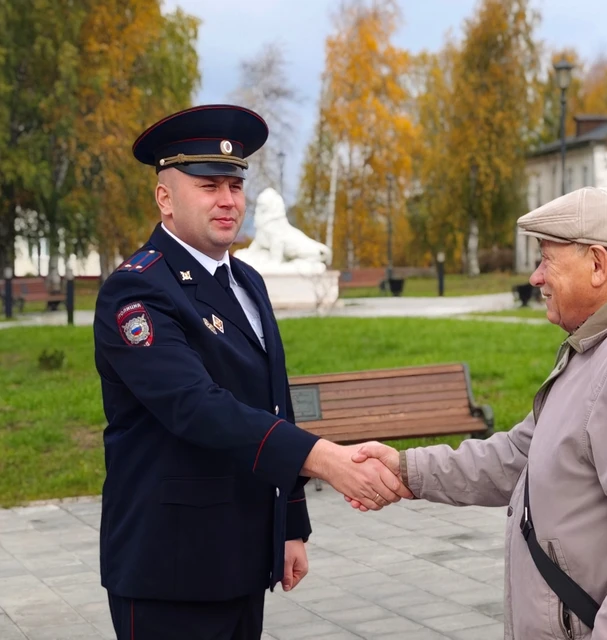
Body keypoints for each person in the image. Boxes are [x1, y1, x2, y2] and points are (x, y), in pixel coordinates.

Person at [350, 187, 607, 639]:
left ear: (598, 264)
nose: (535, 277)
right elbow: (519, 455)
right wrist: (407, 470)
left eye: (547, 259)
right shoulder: (603, 344)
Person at [93, 104, 410, 640]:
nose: (227, 201)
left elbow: (272, 402)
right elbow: (196, 407)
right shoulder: (138, 289)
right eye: (208, 185)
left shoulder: (247, 281)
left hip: (240, 556)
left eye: (235, 186)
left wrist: (289, 526)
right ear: (164, 198)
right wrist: (323, 458)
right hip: (169, 564)